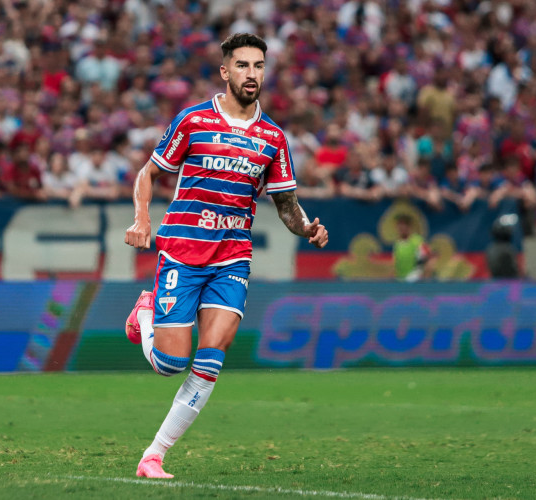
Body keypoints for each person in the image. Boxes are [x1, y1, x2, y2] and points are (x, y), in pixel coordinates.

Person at [122, 33, 328, 479]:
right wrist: (142, 219)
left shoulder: (272, 137)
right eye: (242, 65)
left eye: (258, 66)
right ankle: (143, 314)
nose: (251, 74)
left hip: (232, 256)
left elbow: (286, 205)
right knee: (170, 364)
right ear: (225, 71)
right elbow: (149, 172)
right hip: (181, 251)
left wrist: (307, 228)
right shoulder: (194, 120)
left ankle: (153, 455)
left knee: (213, 355)